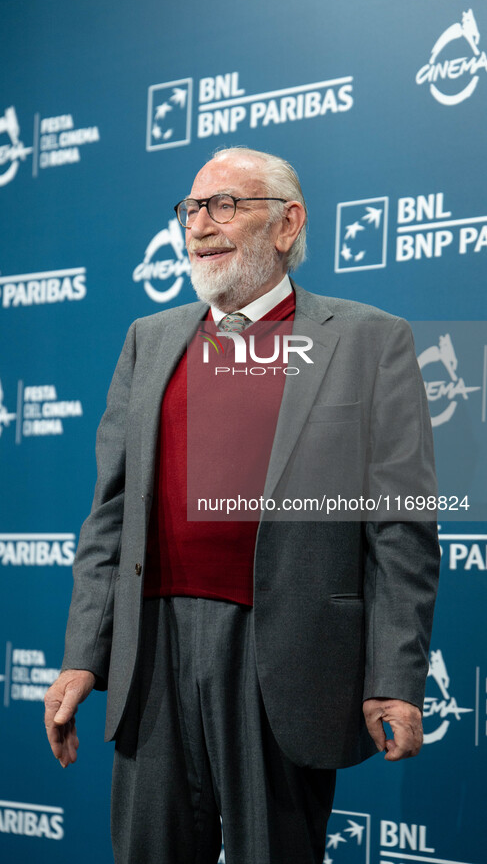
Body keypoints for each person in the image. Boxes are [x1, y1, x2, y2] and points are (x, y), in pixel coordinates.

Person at [44, 147, 440, 864]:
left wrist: (393, 678)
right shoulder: (149, 339)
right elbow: (110, 516)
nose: (200, 224)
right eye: (191, 208)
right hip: (153, 659)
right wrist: (83, 656)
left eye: (226, 205)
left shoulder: (369, 340)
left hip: (283, 658)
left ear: (287, 224)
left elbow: (399, 531)